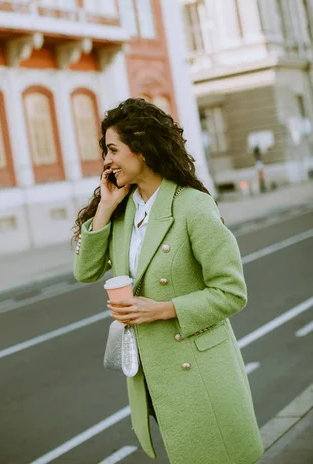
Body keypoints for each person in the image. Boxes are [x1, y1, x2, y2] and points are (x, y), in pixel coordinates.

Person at [73, 98, 264, 464]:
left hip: (200, 372)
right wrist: (105, 208)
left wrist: (162, 309)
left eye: (113, 149)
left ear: (142, 149)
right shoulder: (123, 212)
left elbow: (231, 292)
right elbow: (85, 271)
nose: (106, 161)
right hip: (153, 376)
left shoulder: (192, 206)